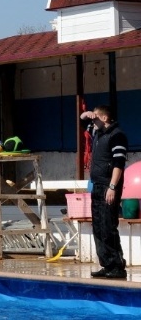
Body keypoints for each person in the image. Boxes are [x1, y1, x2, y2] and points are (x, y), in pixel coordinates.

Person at [80, 105, 128, 279]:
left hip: (109, 187)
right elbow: (81, 121)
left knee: (108, 226)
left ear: (105, 118)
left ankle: (117, 266)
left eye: (96, 118)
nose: (93, 122)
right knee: (99, 227)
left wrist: (113, 187)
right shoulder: (98, 133)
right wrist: (86, 114)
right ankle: (107, 264)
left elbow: (119, 164)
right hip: (97, 186)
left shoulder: (117, 136)